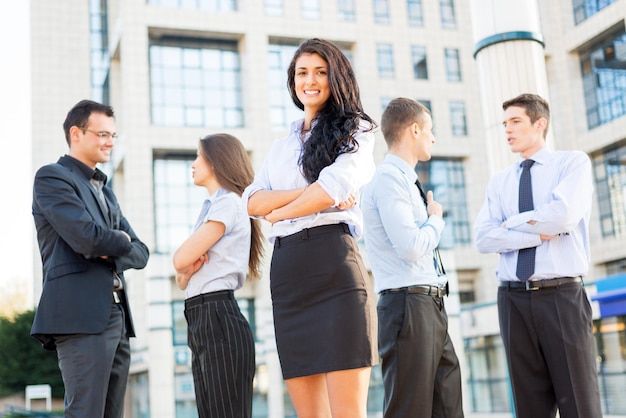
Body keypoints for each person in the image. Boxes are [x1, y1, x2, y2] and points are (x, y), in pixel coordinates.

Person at [243, 38, 378, 417]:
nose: (310, 80)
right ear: (292, 82)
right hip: (287, 274)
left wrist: (283, 209)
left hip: (333, 262)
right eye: (302, 72)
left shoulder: (358, 131)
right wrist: (312, 195)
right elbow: (252, 202)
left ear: (336, 78)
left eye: (320, 72)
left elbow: (334, 187)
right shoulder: (280, 147)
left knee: (348, 412)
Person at [474, 93, 603, 417]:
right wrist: (534, 227)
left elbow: (561, 217)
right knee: (529, 406)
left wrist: (511, 225)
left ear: (539, 123)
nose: (507, 130)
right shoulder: (499, 181)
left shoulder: (571, 163)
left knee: (579, 400)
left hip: (561, 296)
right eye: (505, 123)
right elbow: (483, 238)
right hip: (512, 299)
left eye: (515, 121)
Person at [31, 99, 150, 417]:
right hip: (80, 314)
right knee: (85, 412)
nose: (110, 141)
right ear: (76, 134)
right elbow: (86, 238)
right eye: (102, 134)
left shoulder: (106, 192)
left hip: (117, 315)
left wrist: (113, 244)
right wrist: (116, 241)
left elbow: (141, 252)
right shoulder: (52, 178)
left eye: (113, 135)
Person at [361, 97, 464, 418]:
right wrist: (435, 219)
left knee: (447, 404)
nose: (433, 138)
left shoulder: (404, 179)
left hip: (428, 304)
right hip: (408, 306)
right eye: (429, 130)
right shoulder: (389, 180)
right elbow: (410, 246)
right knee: (410, 410)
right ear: (414, 130)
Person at [172, 133, 263, 418]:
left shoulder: (228, 203)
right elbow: (182, 276)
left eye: (199, 156)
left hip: (217, 317)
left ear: (216, 161)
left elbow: (180, 260)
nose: (194, 163)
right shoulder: (212, 206)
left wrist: (185, 268)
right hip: (202, 316)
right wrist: (185, 271)